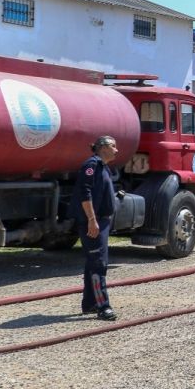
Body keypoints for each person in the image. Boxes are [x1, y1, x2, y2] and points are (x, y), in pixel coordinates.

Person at [70, 135, 121, 321]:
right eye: (113, 146)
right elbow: (85, 192)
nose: (117, 150)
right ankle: (103, 306)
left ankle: (90, 303)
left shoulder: (103, 166)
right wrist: (92, 219)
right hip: (94, 222)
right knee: (98, 264)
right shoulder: (91, 165)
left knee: (94, 262)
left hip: (102, 222)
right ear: (103, 147)